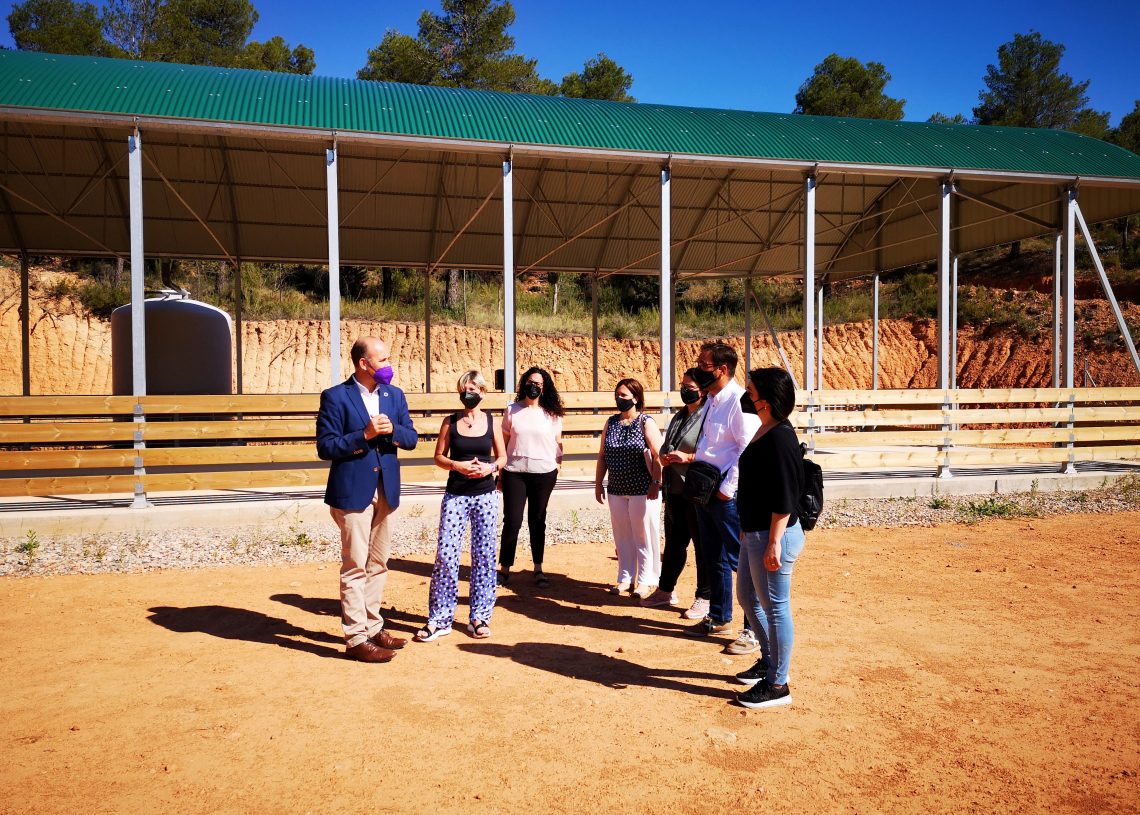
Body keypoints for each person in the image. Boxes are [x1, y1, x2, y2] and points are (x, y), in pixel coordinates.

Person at [316, 336, 419, 663]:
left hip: (386, 489)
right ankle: (356, 638)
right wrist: (365, 435)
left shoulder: (395, 395)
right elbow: (326, 447)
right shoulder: (335, 397)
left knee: (378, 564)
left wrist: (391, 432)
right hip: (352, 492)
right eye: (383, 359)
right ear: (364, 363)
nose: (389, 365)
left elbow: (412, 438)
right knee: (355, 565)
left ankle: (374, 628)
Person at [676, 342, 759, 651]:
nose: (699, 369)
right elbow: (712, 443)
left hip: (725, 495)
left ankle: (753, 630)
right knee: (714, 557)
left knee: (743, 563)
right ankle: (720, 617)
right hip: (705, 489)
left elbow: (745, 449)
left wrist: (728, 490)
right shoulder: (712, 400)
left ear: (723, 370)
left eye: (704, 365)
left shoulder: (739, 402)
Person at [733, 367, 806, 709]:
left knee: (775, 607)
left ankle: (778, 683)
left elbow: (785, 496)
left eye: (751, 391)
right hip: (755, 531)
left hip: (772, 535)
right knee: (747, 597)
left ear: (766, 398)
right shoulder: (767, 428)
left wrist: (774, 541)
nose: (746, 396)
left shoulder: (780, 437)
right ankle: (769, 660)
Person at [416, 371, 507, 642]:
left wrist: (489, 468)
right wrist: (457, 465)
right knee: (446, 554)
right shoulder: (450, 422)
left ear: (482, 391)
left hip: (485, 495)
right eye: (463, 389)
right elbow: (439, 457)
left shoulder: (492, 422)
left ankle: (479, 617)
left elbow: (502, 457)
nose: (467, 393)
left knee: (485, 556)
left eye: (472, 388)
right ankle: (440, 618)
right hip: (456, 495)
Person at [641, 369, 710, 616]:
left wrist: (688, 457)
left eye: (689, 386)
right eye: (683, 385)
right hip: (675, 490)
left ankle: (705, 596)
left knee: (703, 548)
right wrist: (665, 456)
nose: (685, 390)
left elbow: (713, 452)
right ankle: (665, 590)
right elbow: (666, 444)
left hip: (697, 492)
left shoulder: (708, 417)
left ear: (702, 390)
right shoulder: (680, 417)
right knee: (674, 544)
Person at [595, 378, 664, 598]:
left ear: (636, 398)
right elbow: (602, 456)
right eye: (617, 394)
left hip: (642, 489)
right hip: (616, 489)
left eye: (623, 395)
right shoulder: (611, 422)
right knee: (622, 535)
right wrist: (598, 484)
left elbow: (658, 455)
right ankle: (625, 578)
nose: (619, 399)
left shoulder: (646, 422)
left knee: (643, 535)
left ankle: (645, 579)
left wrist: (656, 483)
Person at [499, 366, 564, 588]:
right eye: (530, 382)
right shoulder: (512, 410)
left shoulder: (551, 414)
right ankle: (504, 568)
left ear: (544, 388)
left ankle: (538, 568)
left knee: (537, 521)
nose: (533, 387)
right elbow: (504, 442)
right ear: (523, 384)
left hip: (543, 474)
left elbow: (558, 443)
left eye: (538, 384)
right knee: (512, 520)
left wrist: (557, 464)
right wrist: (500, 473)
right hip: (514, 473)